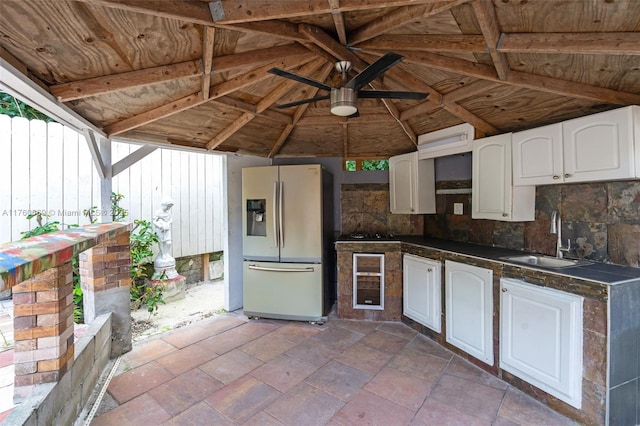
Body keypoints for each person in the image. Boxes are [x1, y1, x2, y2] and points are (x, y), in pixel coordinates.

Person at [153, 197, 174, 263]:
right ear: (164, 205)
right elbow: (154, 221)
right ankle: (162, 254)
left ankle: (166, 252)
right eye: (168, 206)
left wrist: (168, 223)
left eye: (170, 207)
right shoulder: (158, 212)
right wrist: (160, 225)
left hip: (167, 228)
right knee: (161, 241)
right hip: (160, 229)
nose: (168, 208)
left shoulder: (168, 212)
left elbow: (171, 219)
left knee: (168, 242)